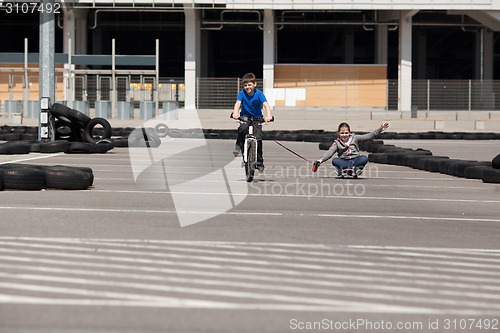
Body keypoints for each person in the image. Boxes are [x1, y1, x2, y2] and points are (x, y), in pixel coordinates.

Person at [314, 122, 390, 177]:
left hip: (355, 159)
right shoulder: (337, 143)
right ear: (338, 133)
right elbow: (329, 152)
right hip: (344, 161)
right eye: (342, 133)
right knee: (335, 161)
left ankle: (348, 169)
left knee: (364, 158)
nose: (344, 135)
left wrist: (379, 130)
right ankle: (353, 169)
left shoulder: (355, 138)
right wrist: (320, 160)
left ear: (349, 132)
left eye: (346, 133)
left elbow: (368, 136)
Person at [232, 73, 273, 172]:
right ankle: (238, 146)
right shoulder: (242, 93)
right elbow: (238, 104)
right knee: (242, 129)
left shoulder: (259, 94)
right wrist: (235, 113)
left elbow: (266, 105)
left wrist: (269, 116)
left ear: (254, 84)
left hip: (257, 118)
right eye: (245, 85)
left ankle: (259, 162)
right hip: (245, 117)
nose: (247, 87)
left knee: (258, 139)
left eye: (249, 85)